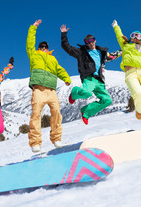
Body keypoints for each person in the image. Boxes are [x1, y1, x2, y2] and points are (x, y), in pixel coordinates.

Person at [60, 24, 122, 125]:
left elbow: (113, 56)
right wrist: (64, 34)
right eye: (88, 42)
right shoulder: (82, 53)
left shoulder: (102, 53)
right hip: (89, 78)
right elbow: (67, 48)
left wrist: (123, 50)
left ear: (95, 40)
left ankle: (86, 112)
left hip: (100, 81)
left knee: (107, 100)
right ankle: (74, 92)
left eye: (92, 40)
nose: (91, 43)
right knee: (87, 93)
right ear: (86, 44)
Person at [26, 19, 71, 153]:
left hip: (51, 91)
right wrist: (33, 27)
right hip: (38, 89)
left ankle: (56, 138)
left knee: (57, 112)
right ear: (39, 48)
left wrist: (66, 78)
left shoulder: (53, 59)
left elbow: (59, 70)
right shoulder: (34, 54)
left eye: (46, 46)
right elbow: (30, 42)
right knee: (36, 114)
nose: (44, 48)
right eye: (42, 47)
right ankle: (35, 142)